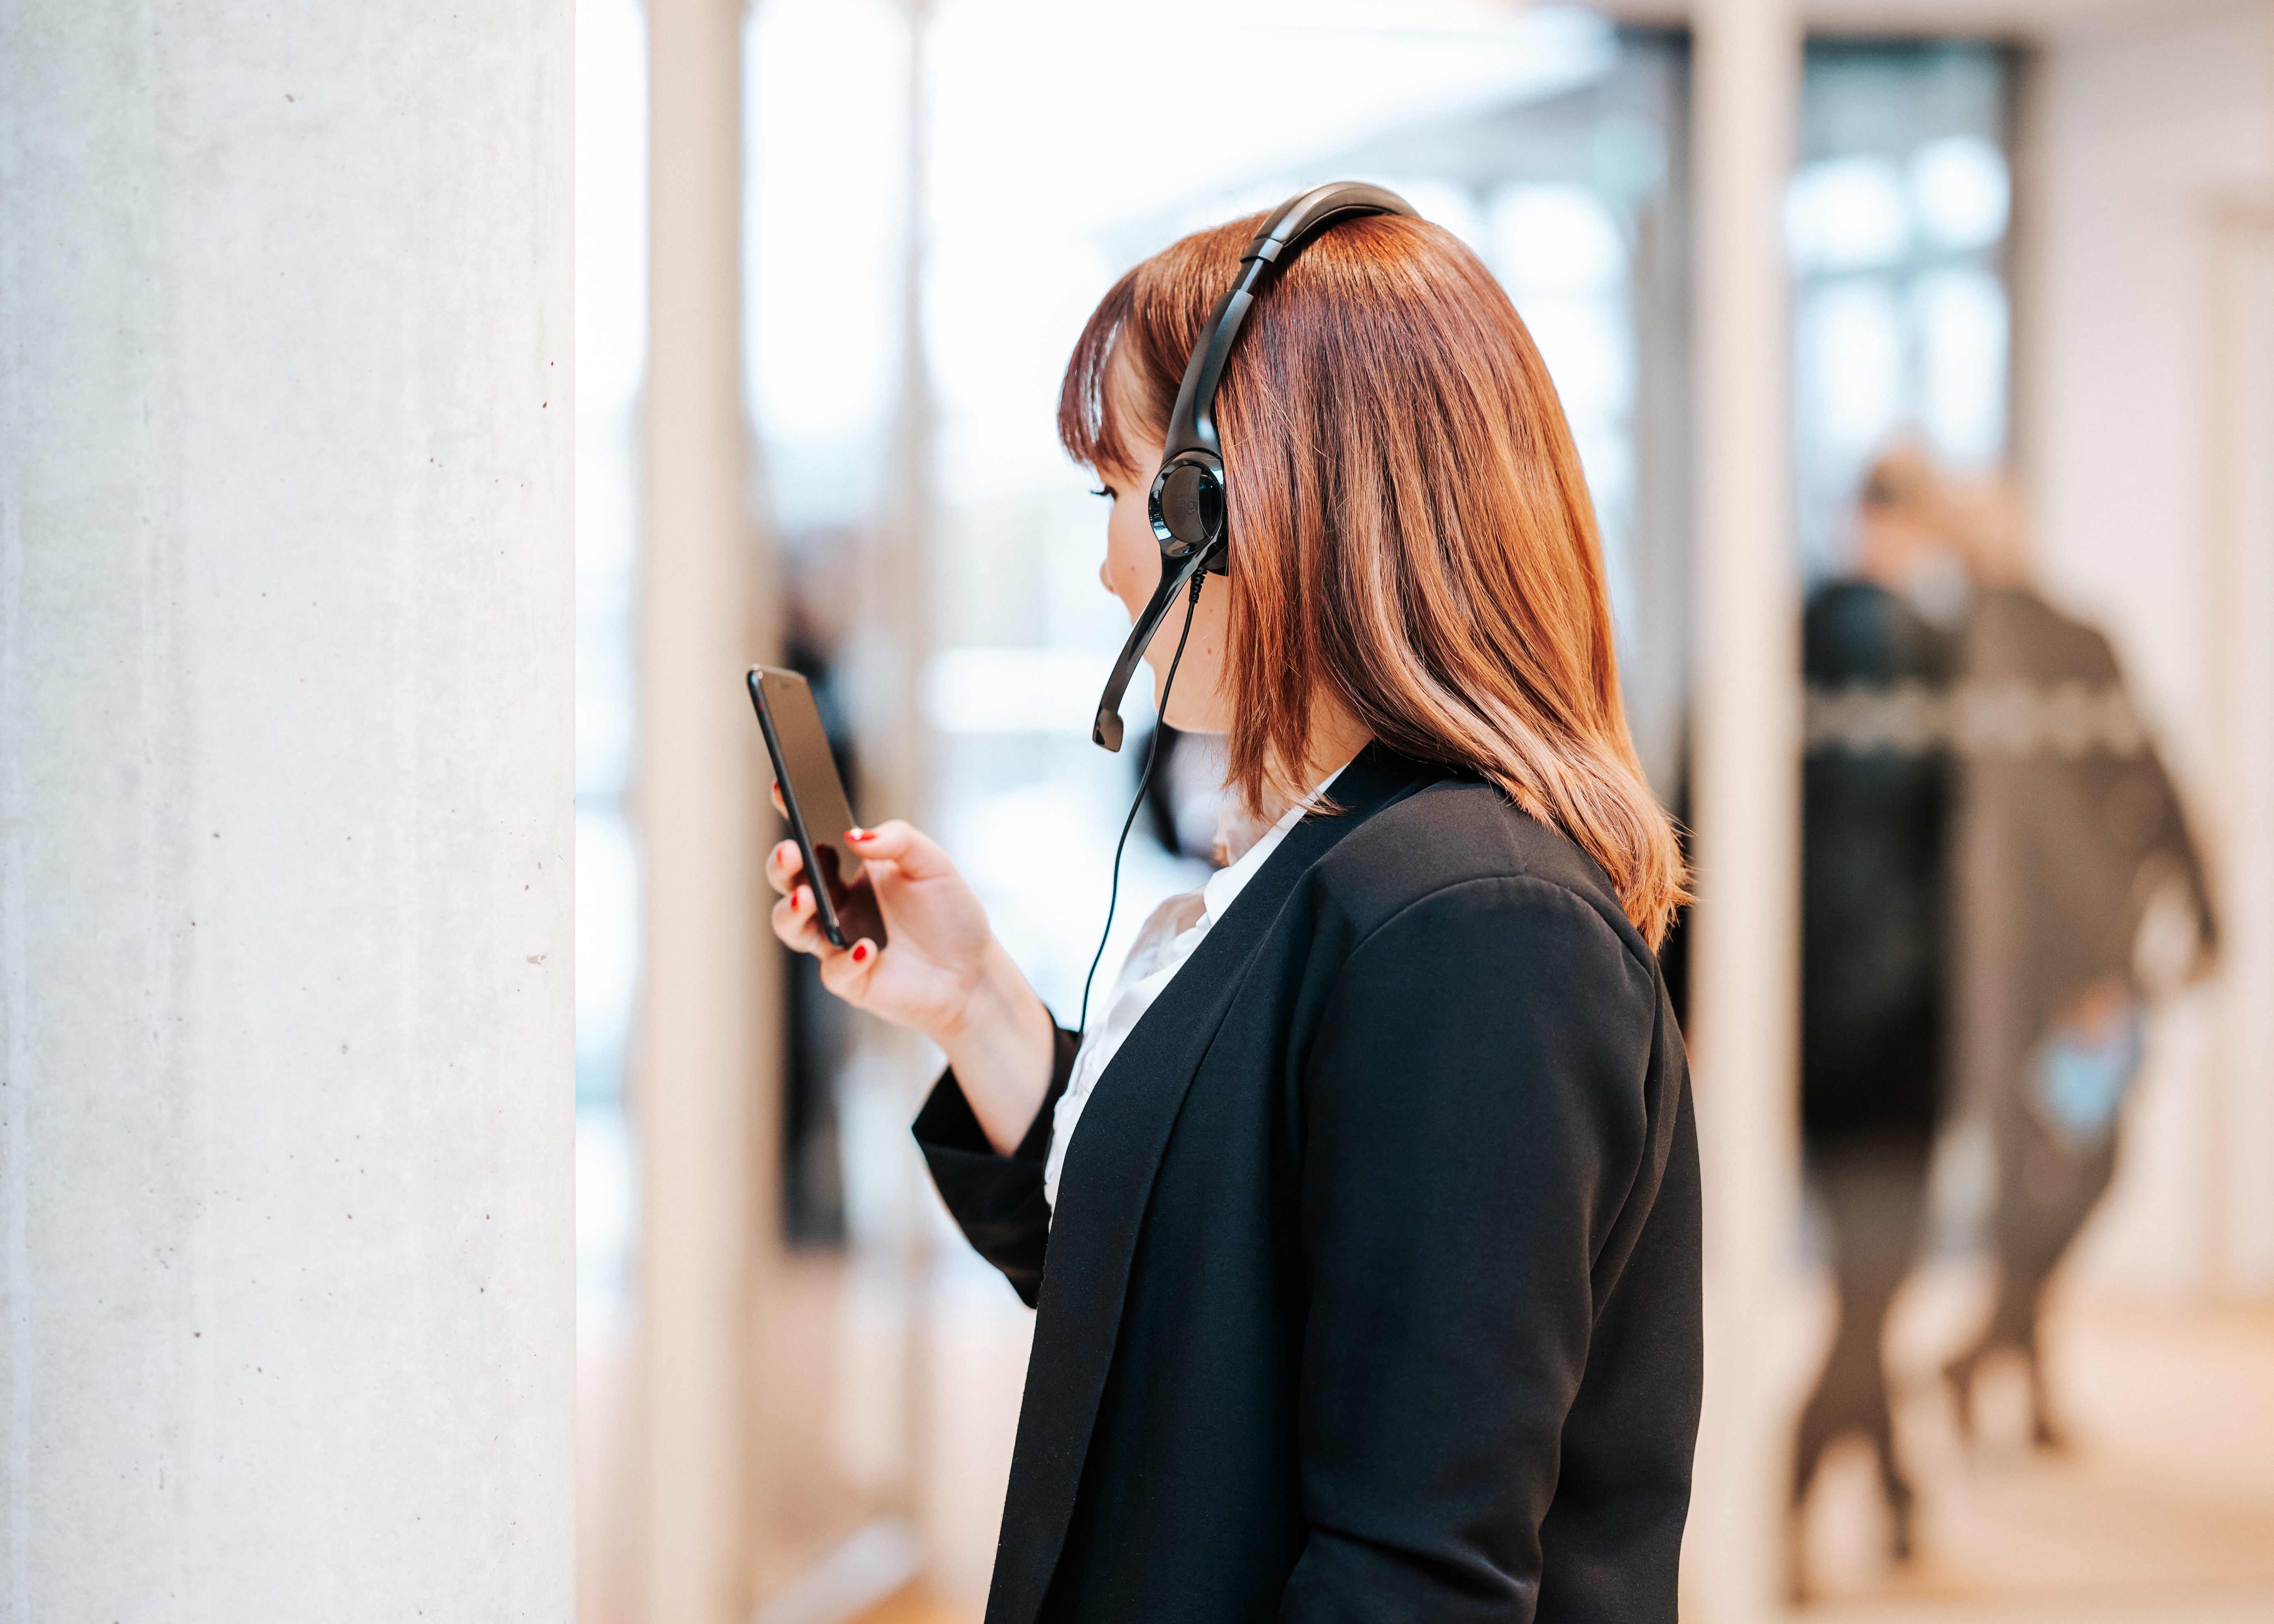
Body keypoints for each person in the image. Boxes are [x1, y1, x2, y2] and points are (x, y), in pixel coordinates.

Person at [766, 198, 1701, 1622]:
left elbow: (1411, 1581)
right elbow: (1183, 1314)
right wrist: (973, 1000)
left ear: (1223, 504)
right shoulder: (1348, 859)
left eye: (1117, 492)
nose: (1107, 565)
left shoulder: (1471, 925)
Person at [1790, 449, 1964, 1575]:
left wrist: (1682, 1000)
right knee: (1874, 1282)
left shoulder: (1778, 645)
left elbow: (1692, 831)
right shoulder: (1947, 663)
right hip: (1905, 1030)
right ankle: (1796, 1471)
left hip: (1805, 1027)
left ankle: (1897, 1492)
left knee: (1869, 1276)